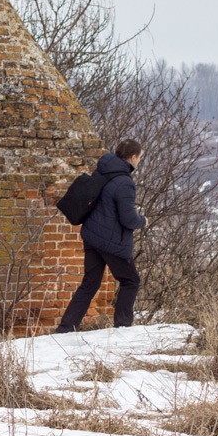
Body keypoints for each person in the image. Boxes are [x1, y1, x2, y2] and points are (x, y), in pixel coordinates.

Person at [53, 139, 146, 332]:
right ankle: (122, 327)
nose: (139, 161)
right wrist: (143, 221)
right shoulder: (124, 183)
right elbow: (128, 219)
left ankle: (65, 328)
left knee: (90, 283)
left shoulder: (103, 169)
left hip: (92, 236)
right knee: (131, 281)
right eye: (140, 157)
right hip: (111, 242)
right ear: (133, 157)